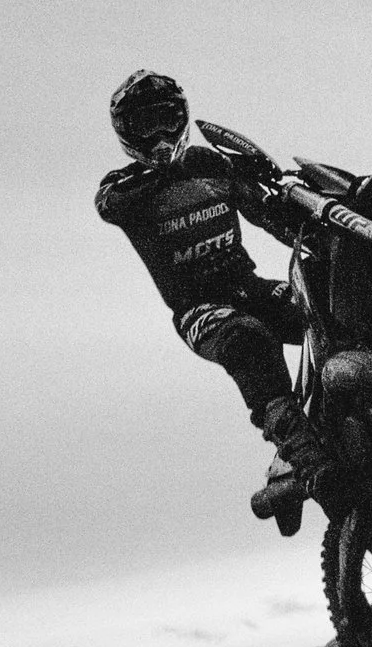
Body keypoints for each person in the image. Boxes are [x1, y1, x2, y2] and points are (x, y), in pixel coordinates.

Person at [94, 69, 355, 512]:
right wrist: (179, 168)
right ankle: (305, 457)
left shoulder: (214, 168)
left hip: (249, 289)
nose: (159, 135)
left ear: (181, 117)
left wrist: (301, 211)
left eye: (166, 120)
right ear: (127, 133)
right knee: (248, 339)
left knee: (329, 302)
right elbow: (111, 204)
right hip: (199, 310)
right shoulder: (121, 188)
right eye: (145, 125)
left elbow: (271, 219)